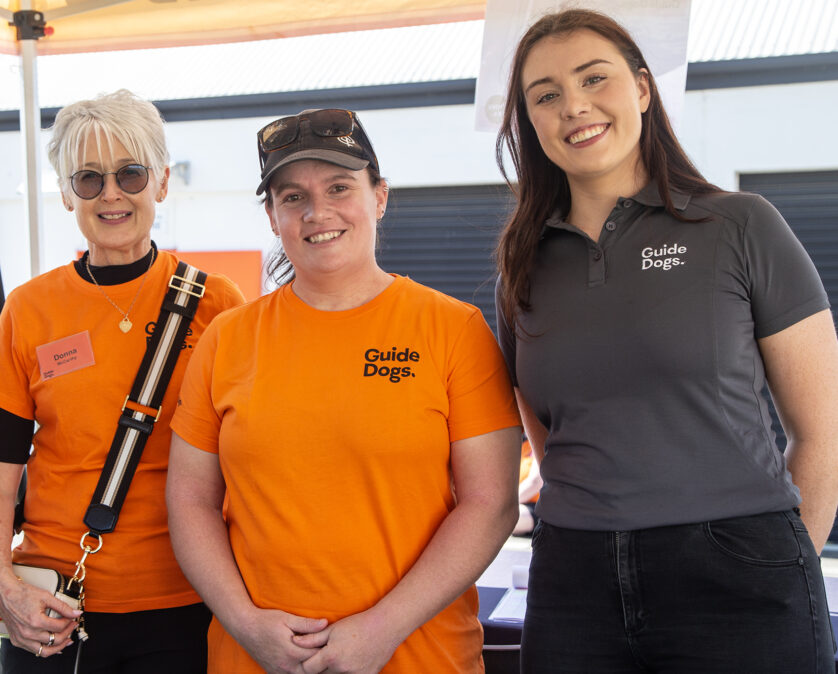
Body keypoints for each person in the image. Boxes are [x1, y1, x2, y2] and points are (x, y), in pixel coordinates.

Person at [494, 9, 838, 671]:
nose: (575, 106)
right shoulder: (522, 263)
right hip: (574, 581)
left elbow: (823, 430)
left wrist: (778, 564)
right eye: (546, 95)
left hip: (738, 574)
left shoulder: (741, 225)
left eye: (595, 79)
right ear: (531, 122)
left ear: (644, 91)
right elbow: (550, 435)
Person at [167, 108, 523, 673]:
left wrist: (383, 628)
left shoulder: (452, 329)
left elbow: (492, 503)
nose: (317, 212)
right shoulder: (227, 338)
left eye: (339, 187)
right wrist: (245, 622)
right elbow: (189, 501)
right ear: (272, 215)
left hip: (418, 657)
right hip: (255, 658)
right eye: (292, 197)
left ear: (379, 196)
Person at [0, 89, 244, 673]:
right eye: (88, 179)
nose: (111, 194)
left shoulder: (218, 304)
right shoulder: (29, 309)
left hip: (184, 603)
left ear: (162, 183)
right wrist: (3, 584)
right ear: (67, 194)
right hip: (52, 606)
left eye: (131, 173)